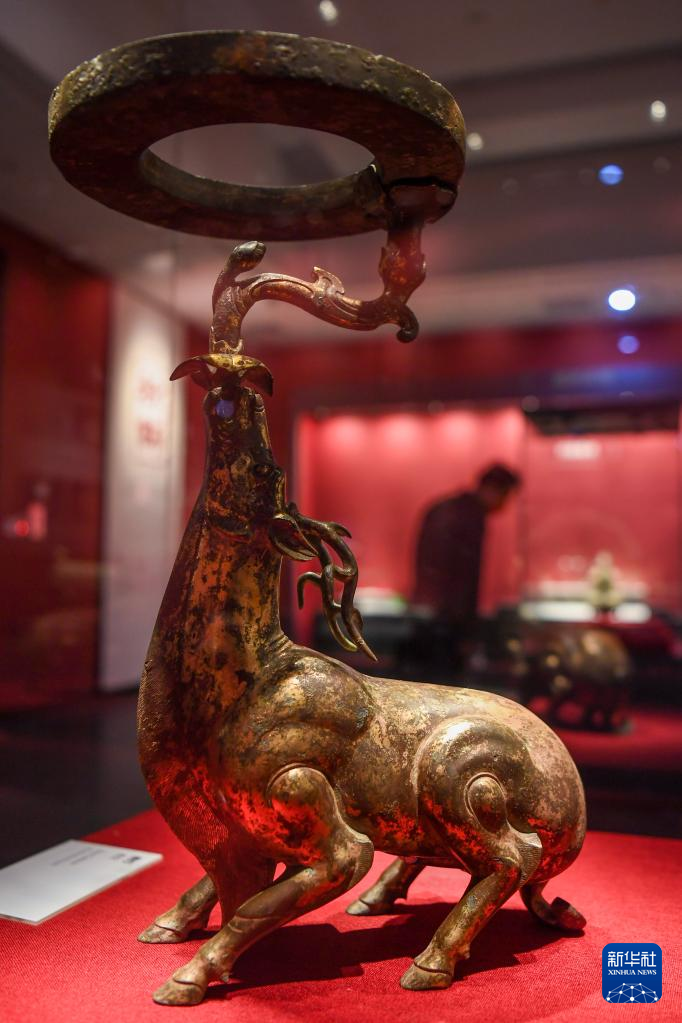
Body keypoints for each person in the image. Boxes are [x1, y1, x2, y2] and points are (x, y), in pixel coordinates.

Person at [412, 463, 522, 672]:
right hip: (446, 619)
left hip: (434, 613)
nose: (505, 504)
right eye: (505, 495)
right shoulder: (468, 516)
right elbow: (464, 577)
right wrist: (467, 629)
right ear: (493, 489)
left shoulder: (450, 509)